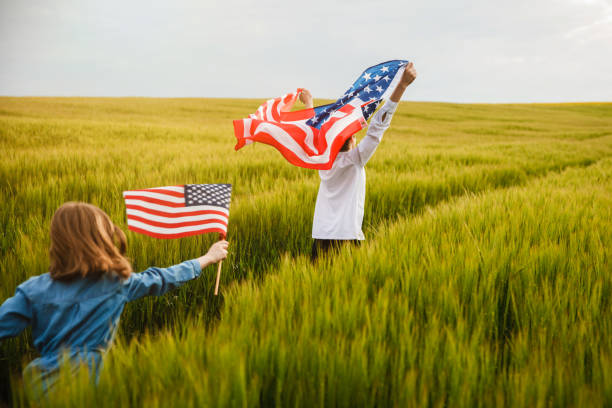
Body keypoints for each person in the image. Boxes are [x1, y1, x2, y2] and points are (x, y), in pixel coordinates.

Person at [0, 202, 228, 390]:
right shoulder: (116, 283)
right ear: (100, 239)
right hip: (99, 384)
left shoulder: (32, 291)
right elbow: (162, 278)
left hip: (43, 386)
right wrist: (207, 258)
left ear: (57, 242)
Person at [303, 62, 418, 261]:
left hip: (321, 236)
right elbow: (377, 128)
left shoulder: (322, 159)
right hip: (346, 237)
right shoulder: (355, 159)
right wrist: (402, 86)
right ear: (352, 139)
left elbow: (312, 132)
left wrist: (308, 104)